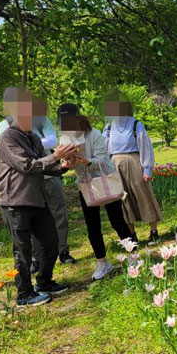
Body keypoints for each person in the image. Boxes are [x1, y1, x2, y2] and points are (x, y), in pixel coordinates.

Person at [0, 88, 78, 306]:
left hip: (35, 198)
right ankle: (24, 294)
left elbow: (44, 166)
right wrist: (55, 156)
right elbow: (27, 165)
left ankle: (44, 281)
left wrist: (63, 166)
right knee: (23, 250)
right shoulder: (7, 139)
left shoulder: (32, 137)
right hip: (14, 202)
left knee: (50, 241)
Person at [58, 103, 134, 280]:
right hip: (85, 186)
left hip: (104, 181)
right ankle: (102, 263)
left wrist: (86, 161)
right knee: (92, 226)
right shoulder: (64, 139)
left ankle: (132, 256)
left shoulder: (94, 134)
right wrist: (67, 165)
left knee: (117, 220)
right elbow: (65, 164)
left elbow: (104, 160)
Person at [103, 92, 162, 245]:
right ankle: (131, 234)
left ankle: (153, 231)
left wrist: (147, 169)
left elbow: (145, 146)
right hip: (115, 165)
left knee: (143, 195)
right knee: (123, 199)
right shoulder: (108, 127)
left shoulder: (136, 124)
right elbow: (104, 149)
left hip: (134, 162)